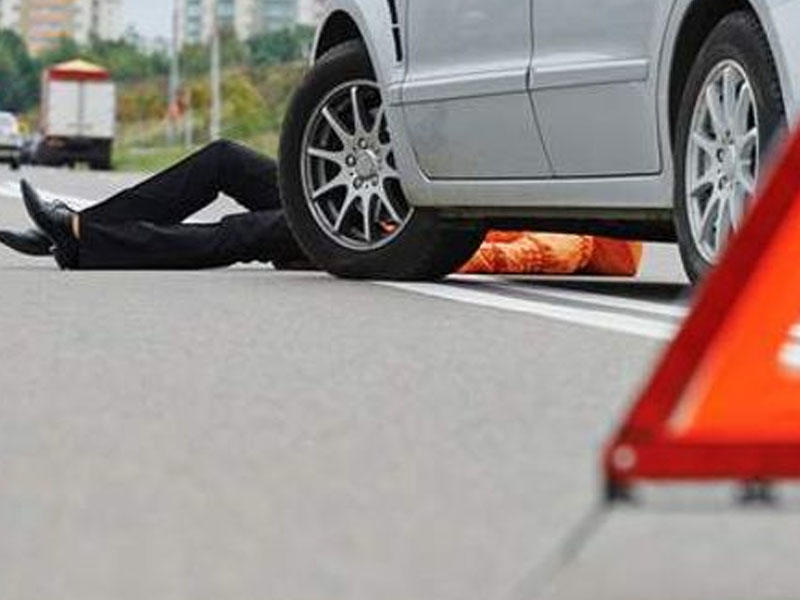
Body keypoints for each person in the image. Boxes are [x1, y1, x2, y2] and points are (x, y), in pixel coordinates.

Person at [0, 140, 311, 270]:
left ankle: (81, 240)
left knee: (245, 231)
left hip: (340, 232)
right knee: (224, 158)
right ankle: (76, 228)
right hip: (327, 196)